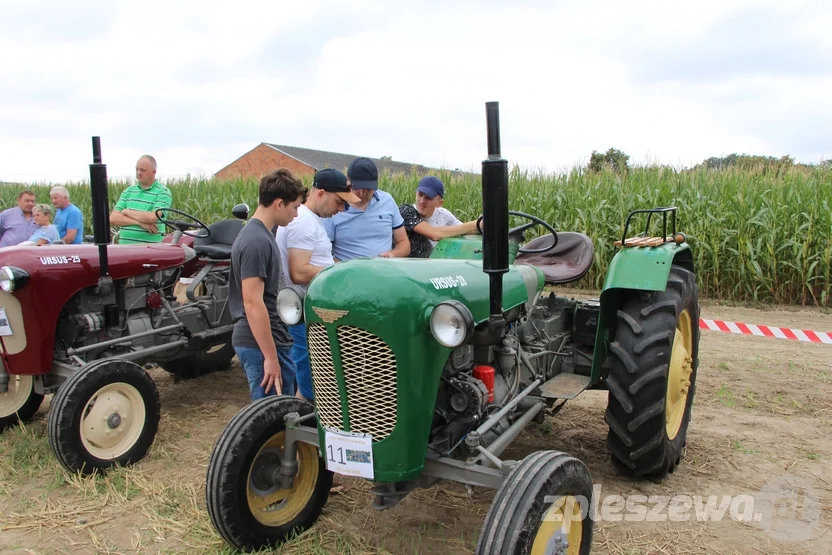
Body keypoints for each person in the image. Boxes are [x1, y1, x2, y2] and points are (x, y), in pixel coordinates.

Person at [276, 168, 359, 402]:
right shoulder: (303, 223)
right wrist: (341, 271)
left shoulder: (309, 220)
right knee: (311, 386)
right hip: (306, 313)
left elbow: (316, 261)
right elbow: (299, 271)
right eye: (339, 201)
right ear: (321, 193)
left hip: (311, 312)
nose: (341, 209)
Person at [229, 168, 307, 401]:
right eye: (294, 207)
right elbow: (253, 303)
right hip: (261, 343)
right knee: (273, 420)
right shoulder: (256, 241)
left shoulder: (262, 235)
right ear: (279, 204)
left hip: (269, 340)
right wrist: (270, 357)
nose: (295, 215)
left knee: (282, 414)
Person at [321, 157, 410, 260]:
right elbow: (324, 254)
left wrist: (393, 254)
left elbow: (404, 243)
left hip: (383, 271)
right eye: (358, 187)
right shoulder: (334, 208)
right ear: (348, 181)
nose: (362, 193)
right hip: (348, 273)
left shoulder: (387, 201)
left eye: (368, 188)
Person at [399, 176, 479, 258]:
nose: (422, 201)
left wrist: (481, 227)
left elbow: (464, 229)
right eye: (420, 195)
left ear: (440, 203)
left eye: (428, 197)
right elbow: (434, 234)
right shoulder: (406, 211)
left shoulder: (444, 215)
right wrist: (475, 225)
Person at [109, 155, 172, 244]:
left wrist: (127, 212)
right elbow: (113, 218)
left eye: (143, 170)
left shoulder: (163, 192)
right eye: (137, 169)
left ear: (154, 172)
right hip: (124, 251)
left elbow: (152, 217)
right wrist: (140, 223)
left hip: (150, 251)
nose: (139, 172)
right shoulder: (128, 191)